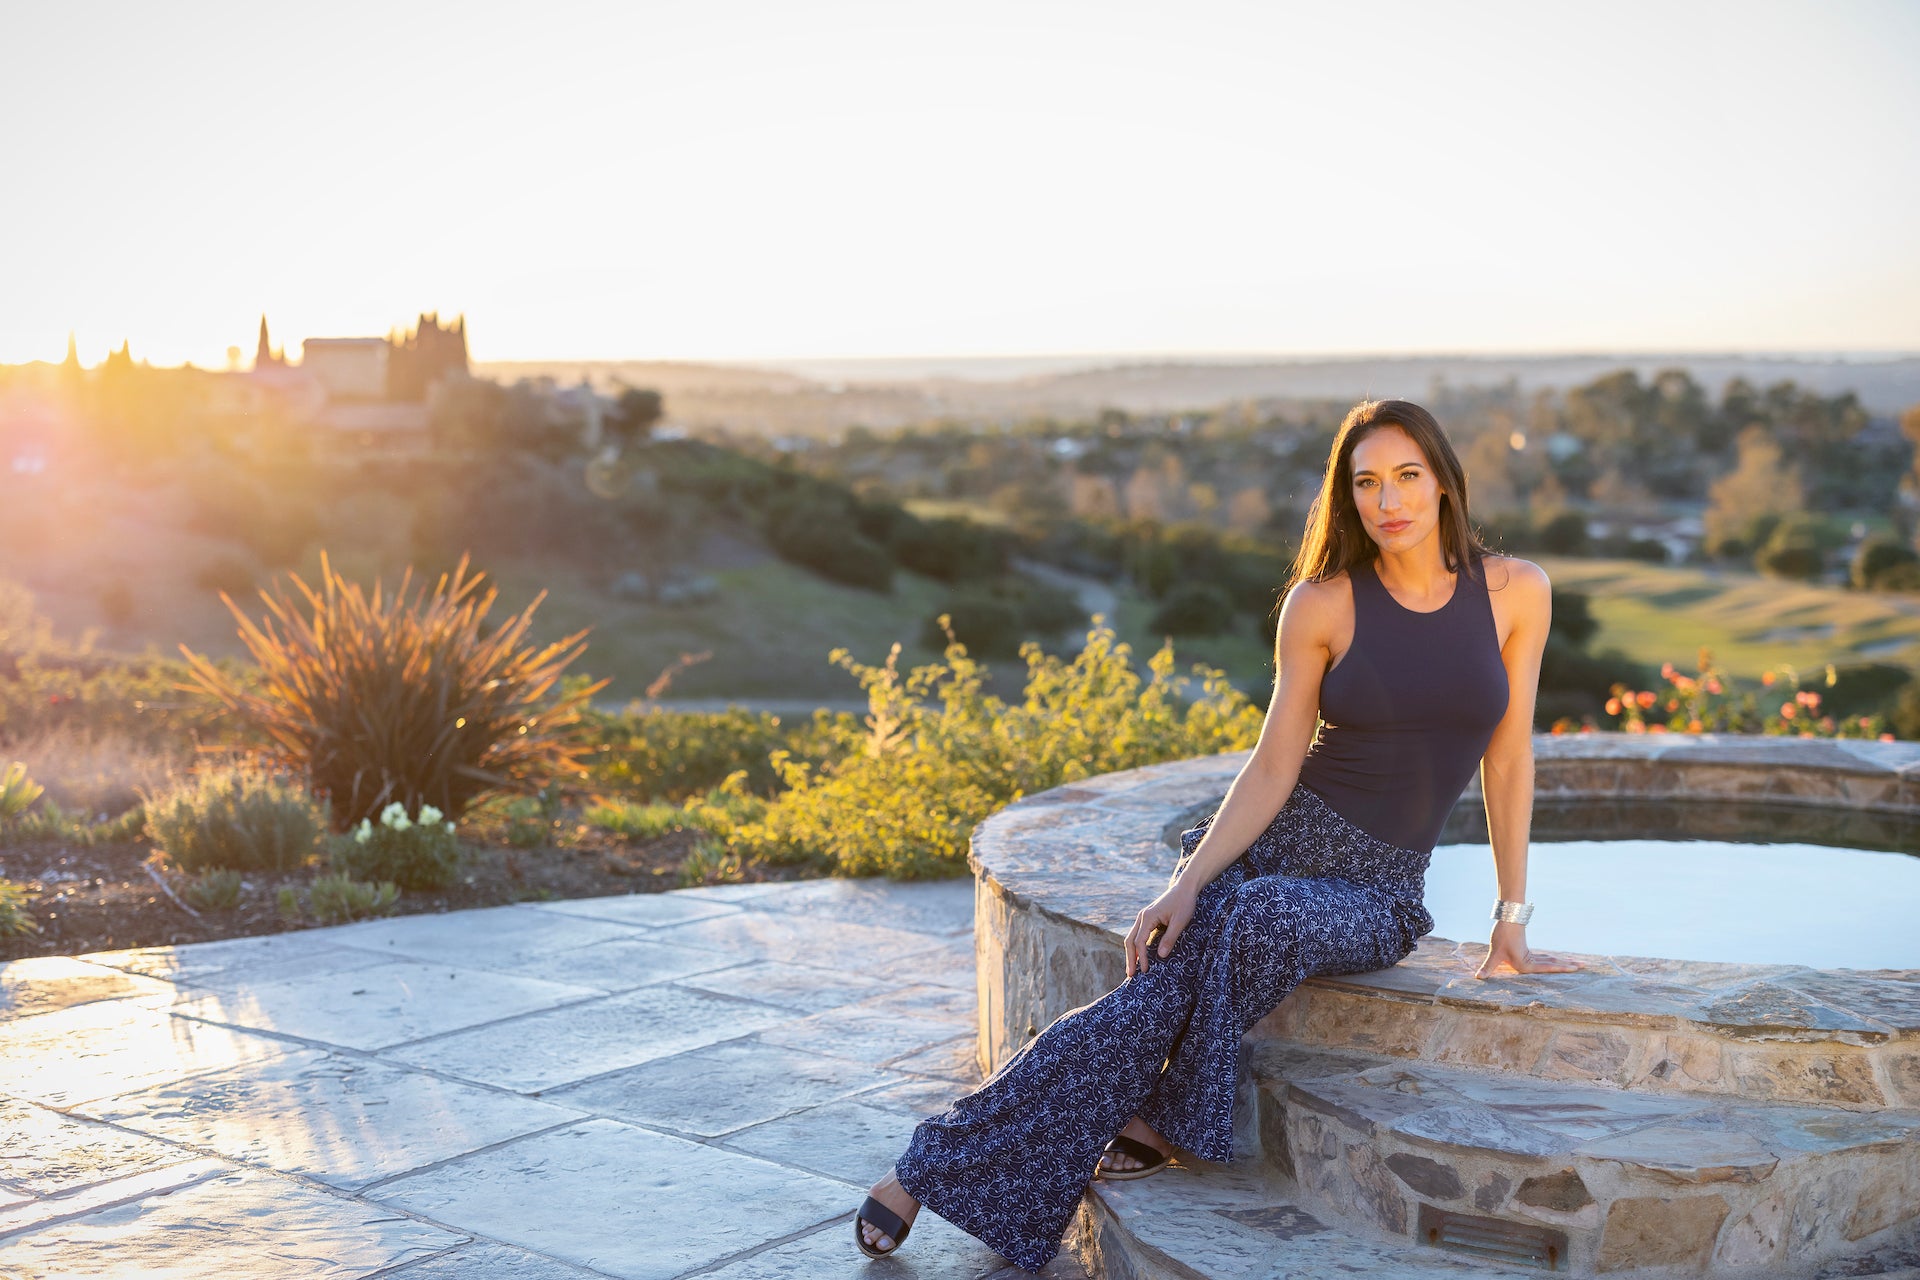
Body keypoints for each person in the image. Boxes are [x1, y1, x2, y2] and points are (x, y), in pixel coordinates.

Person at [853, 398, 1579, 1272]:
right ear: (1346, 500)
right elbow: (1274, 767)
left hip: (1377, 888)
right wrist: (1186, 883)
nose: (1389, 500)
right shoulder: (1322, 605)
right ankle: (945, 1164)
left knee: (1247, 928)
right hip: (1279, 843)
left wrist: (1513, 918)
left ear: (1444, 482)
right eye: (1367, 483)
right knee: (1150, 995)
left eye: (1407, 476)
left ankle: (1022, 1145)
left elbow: (1510, 759)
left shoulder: (1516, 592)